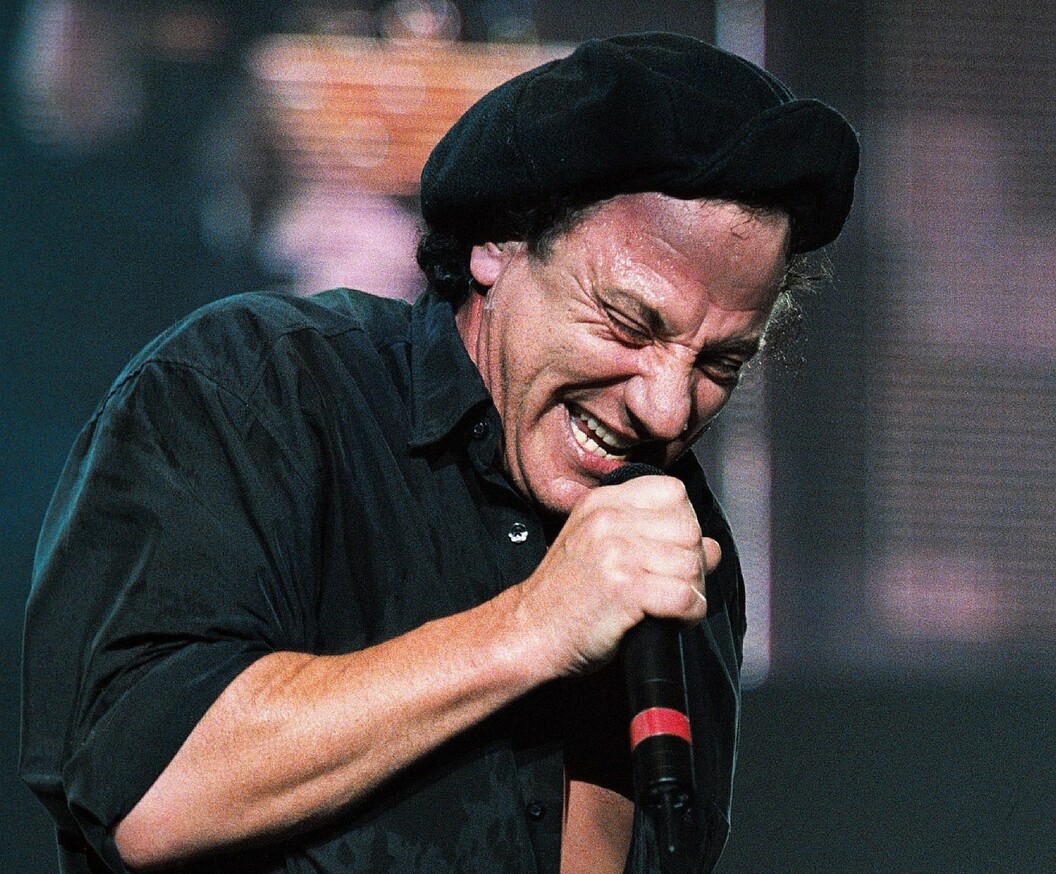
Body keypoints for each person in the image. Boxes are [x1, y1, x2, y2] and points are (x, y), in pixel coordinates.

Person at [20, 31, 858, 874]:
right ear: (499, 242)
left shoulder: (672, 543)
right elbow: (150, 795)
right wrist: (534, 626)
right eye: (628, 324)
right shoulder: (258, 388)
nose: (667, 408)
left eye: (720, 363)